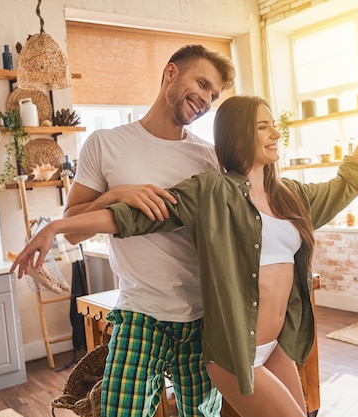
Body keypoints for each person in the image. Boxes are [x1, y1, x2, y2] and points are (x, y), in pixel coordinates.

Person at [11, 96, 358, 417]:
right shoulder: (211, 191)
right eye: (263, 126)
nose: (276, 132)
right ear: (238, 138)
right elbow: (135, 218)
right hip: (237, 355)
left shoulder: (291, 195)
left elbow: (347, 184)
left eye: (274, 125)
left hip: (275, 347)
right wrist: (55, 227)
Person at [62, 44, 235, 416]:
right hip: (140, 314)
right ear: (170, 73)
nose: (205, 99)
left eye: (213, 95)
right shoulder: (106, 144)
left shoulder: (209, 157)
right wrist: (115, 195)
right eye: (201, 84)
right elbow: (73, 229)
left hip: (202, 318)